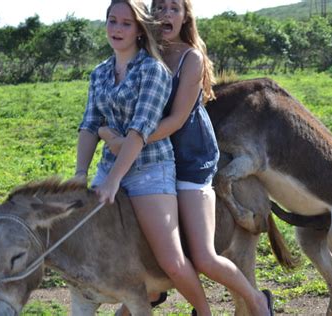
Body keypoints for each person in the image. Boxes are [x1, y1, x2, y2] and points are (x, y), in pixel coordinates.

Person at [99, 0, 273, 315]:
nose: (166, 14)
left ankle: (258, 302)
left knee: (204, 257)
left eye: (174, 8)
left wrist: (128, 143)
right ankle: (147, 297)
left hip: (189, 157)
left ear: (185, 17)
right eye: (160, 7)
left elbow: (177, 120)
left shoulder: (190, 58)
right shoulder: (141, 54)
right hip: (152, 157)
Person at [75, 0, 211, 314]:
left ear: (139, 30)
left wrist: (112, 181)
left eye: (126, 23)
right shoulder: (100, 73)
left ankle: (204, 311)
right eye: (112, 21)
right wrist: (81, 173)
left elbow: (140, 130)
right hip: (110, 167)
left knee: (172, 262)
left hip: (149, 170)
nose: (117, 29)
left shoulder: (153, 70)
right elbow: (90, 124)